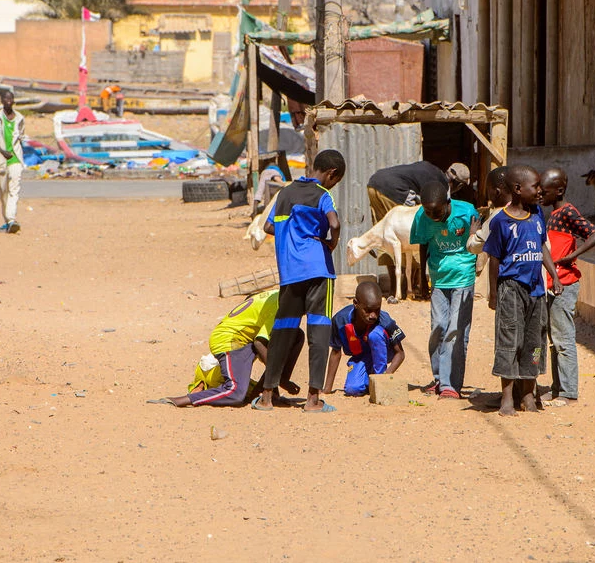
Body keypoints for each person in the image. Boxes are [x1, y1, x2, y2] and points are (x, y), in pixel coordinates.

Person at [253, 149, 346, 413]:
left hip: (290, 272)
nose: (333, 185)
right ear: (331, 173)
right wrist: (331, 242)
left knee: (282, 332)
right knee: (319, 332)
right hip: (319, 271)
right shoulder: (323, 195)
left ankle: (267, 396)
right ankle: (313, 400)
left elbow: (268, 227)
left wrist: (291, 233)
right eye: (335, 181)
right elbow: (335, 223)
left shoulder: (285, 194)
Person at [483, 165, 563, 416]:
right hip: (511, 289)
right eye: (535, 187)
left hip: (536, 291)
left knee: (535, 341)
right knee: (509, 339)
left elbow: (542, 249)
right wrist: (494, 294)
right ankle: (507, 398)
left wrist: (554, 275)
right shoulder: (501, 221)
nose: (540, 191)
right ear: (518, 189)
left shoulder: (537, 216)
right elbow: (494, 259)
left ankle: (529, 394)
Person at [147, 289, 302, 407]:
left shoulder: (280, 293)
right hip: (231, 339)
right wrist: (280, 377)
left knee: (296, 335)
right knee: (235, 392)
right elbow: (260, 343)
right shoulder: (282, 305)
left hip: (244, 338)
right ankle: (180, 400)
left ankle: (265, 393)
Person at [538, 168, 595, 406]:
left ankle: (568, 392)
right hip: (553, 282)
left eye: (543, 191)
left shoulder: (567, 212)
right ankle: (557, 388)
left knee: (563, 339)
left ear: (559, 191)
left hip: (565, 283)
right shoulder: (552, 214)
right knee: (555, 338)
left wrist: (570, 257)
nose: (539, 195)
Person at [410, 181, 479, 399]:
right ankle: (439, 378)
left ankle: (451, 384)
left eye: (437, 211)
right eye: (428, 211)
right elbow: (422, 244)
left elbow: (476, 242)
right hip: (439, 279)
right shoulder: (422, 216)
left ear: (447, 203)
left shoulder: (467, 212)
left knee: (456, 330)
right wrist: (422, 278)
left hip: (462, 277)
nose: (432, 215)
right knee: (438, 327)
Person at [366, 160, 449, 298]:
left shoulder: (429, 169)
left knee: (385, 235)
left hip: (373, 183)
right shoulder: (439, 185)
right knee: (413, 230)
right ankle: (409, 287)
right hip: (393, 190)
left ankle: (395, 287)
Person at [323, 281, 406, 395]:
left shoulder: (384, 321)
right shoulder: (340, 321)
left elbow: (400, 354)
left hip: (385, 352)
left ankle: (378, 377)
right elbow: (336, 352)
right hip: (362, 357)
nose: (373, 315)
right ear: (356, 303)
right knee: (353, 389)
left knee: (375, 335)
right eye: (368, 310)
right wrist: (327, 388)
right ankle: (369, 380)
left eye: (377, 310)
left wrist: (384, 379)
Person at [0, 90, 25, 234]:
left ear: (13, 101)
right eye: (6, 99)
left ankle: (11, 219)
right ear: (2, 101)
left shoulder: (20, 118)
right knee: (4, 190)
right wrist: (3, 151)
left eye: (11, 99)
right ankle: (7, 220)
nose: (8, 101)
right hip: (1, 159)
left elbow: (21, 136)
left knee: (14, 188)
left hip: (15, 157)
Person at [467, 166, 510, 278]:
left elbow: (474, 246)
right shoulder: (531, 211)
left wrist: (472, 233)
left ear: (496, 192)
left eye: (488, 191)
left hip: (507, 280)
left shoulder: (497, 216)